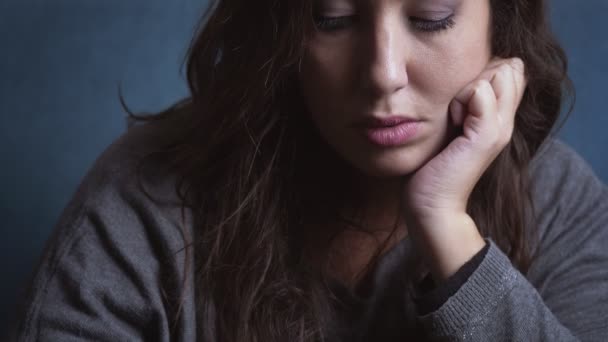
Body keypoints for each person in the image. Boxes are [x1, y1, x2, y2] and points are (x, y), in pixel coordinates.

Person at [11, 0, 608, 341]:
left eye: (430, 16)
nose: (382, 72)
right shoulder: (148, 195)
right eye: (332, 16)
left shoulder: (556, 202)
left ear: (499, 24)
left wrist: (449, 233)